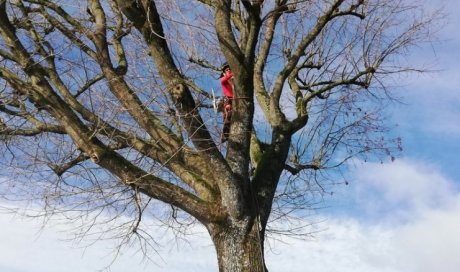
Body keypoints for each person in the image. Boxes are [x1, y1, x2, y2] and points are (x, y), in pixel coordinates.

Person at [219, 63, 233, 142]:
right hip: (229, 101)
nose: (229, 70)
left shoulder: (233, 82)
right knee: (229, 114)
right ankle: (225, 135)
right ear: (224, 72)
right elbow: (225, 78)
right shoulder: (224, 80)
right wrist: (232, 73)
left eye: (229, 69)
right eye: (227, 70)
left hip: (236, 101)